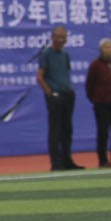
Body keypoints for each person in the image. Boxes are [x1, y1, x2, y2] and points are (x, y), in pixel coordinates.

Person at [34, 26, 80, 171]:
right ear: (52, 38)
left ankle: (67, 160)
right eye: (58, 37)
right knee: (55, 129)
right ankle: (56, 162)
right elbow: (40, 77)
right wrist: (50, 93)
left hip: (67, 93)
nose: (60, 40)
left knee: (67, 129)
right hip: (55, 95)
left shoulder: (65, 54)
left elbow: (65, 73)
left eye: (63, 37)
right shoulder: (46, 54)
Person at [85, 38, 111, 167]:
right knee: (103, 132)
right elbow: (89, 85)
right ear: (100, 50)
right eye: (106, 47)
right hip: (102, 104)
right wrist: (96, 99)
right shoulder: (95, 65)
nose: (109, 49)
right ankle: (103, 160)